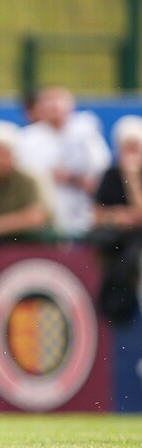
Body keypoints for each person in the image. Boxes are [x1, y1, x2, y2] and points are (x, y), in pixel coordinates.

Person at [16, 85, 111, 236]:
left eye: (59, 99)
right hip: (46, 216)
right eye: (49, 100)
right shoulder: (27, 139)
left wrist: (72, 178)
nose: (54, 105)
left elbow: (100, 178)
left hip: (84, 212)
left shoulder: (86, 135)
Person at [91, 115, 142, 324]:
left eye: (135, 147)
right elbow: (97, 214)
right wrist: (117, 216)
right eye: (126, 148)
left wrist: (131, 178)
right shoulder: (110, 174)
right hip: (116, 247)